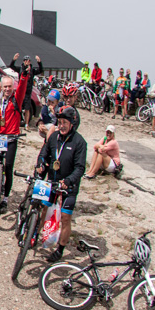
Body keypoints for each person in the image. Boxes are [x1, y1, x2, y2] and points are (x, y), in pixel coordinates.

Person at [36, 105, 87, 263]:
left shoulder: (79, 142)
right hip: (52, 180)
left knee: (65, 217)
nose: (62, 125)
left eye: (65, 122)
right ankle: (34, 234)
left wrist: (68, 181)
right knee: (43, 209)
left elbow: (80, 168)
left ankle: (60, 249)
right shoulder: (54, 137)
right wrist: (41, 165)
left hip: (68, 185)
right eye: (60, 122)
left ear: (72, 123)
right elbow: (44, 153)